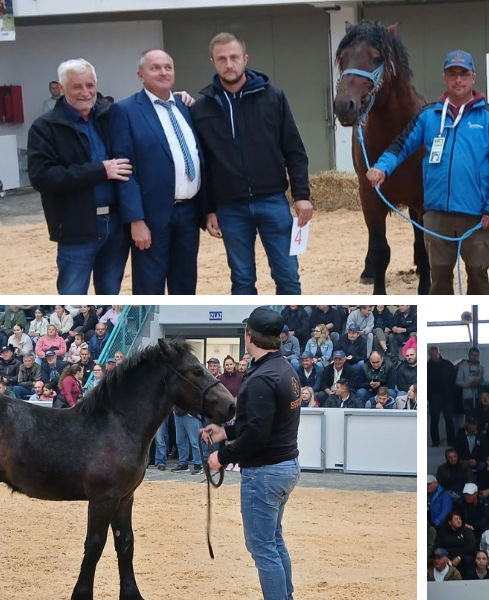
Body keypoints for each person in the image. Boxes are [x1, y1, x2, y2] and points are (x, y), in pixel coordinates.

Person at [366, 49, 489, 295]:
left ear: (473, 77)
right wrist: (382, 167)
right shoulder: (428, 116)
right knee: (440, 280)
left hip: (476, 217)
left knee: (477, 277)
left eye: (463, 74)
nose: (458, 80)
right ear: (444, 78)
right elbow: (401, 144)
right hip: (435, 217)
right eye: (452, 74)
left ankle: (477, 327)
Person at [194, 33, 312, 295]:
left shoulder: (274, 97)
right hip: (230, 208)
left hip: (273, 201)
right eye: (222, 59)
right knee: (242, 280)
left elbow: (294, 150)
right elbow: (204, 165)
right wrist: (209, 209)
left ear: (245, 59)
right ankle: (250, 332)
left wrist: (302, 195)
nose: (229, 64)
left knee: (288, 276)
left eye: (234, 57)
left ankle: (283, 332)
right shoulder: (202, 108)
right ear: (212, 62)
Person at [203, 307, 301, 600]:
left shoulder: (261, 377)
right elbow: (262, 425)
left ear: (249, 336)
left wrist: (221, 457)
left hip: (265, 471)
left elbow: (257, 436)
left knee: (262, 547)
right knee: (273, 540)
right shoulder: (282, 368)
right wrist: (226, 432)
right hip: (284, 465)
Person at [28, 59, 131, 294]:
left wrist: (176, 98)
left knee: (110, 294)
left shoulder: (110, 116)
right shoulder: (44, 127)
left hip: (116, 224)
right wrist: (99, 170)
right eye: (77, 87)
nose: (85, 92)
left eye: (90, 85)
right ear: (62, 89)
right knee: (72, 296)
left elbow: (144, 111)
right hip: (76, 226)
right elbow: (41, 176)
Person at [111, 49, 203, 295]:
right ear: (141, 75)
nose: (163, 72)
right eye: (155, 68)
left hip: (189, 213)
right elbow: (124, 170)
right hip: (150, 217)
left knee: (185, 284)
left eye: (168, 67)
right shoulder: (126, 111)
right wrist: (136, 220)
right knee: (149, 287)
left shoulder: (186, 107)